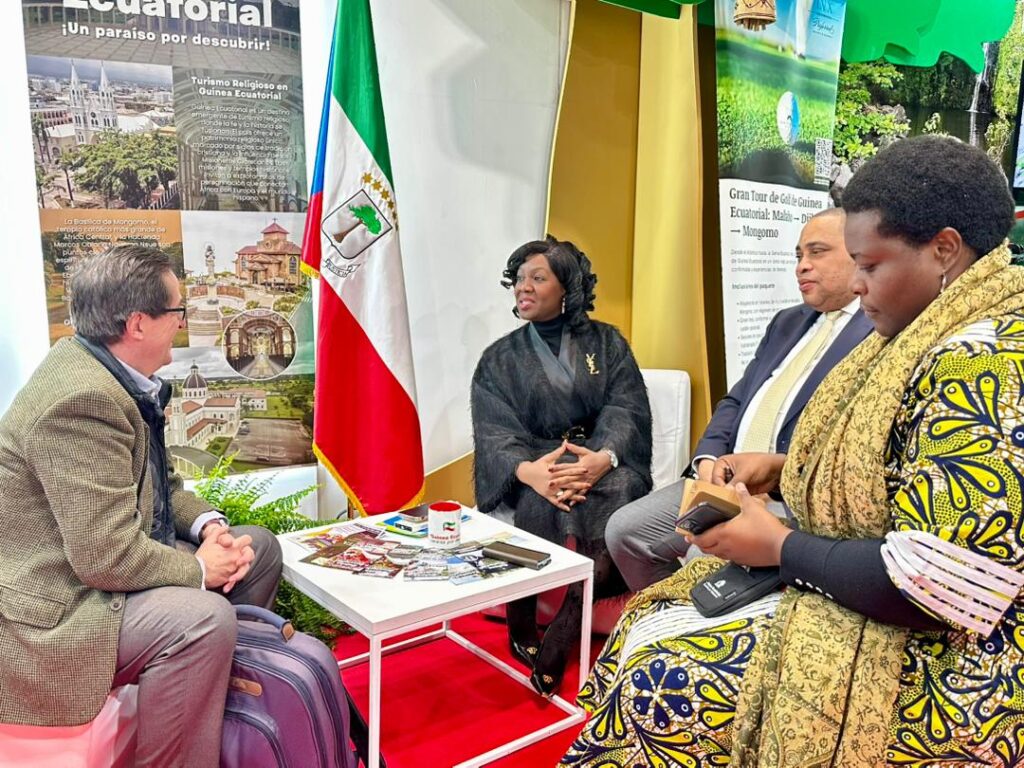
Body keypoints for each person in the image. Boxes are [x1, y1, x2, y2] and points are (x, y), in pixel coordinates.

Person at [560, 135, 1024, 766]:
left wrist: (780, 547)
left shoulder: (988, 358)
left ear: (944, 250)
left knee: (660, 678)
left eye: (870, 265)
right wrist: (781, 471)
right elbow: (890, 460)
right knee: (652, 622)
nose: (858, 285)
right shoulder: (925, 328)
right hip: (847, 567)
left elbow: (943, 587)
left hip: (956, 659)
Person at [0, 245, 282, 768]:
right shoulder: (79, 400)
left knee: (257, 549)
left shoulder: (114, 377)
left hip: (105, 564)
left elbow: (161, 486)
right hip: (60, 602)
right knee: (201, 617)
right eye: (176, 311)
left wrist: (209, 527)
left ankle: (215, 714)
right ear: (137, 324)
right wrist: (199, 569)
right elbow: (103, 558)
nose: (180, 322)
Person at [606, 207, 872, 591]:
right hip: (721, 480)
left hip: (784, 493)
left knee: (703, 556)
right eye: (798, 256)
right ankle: (664, 615)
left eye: (817, 252)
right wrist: (708, 460)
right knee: (625, 530)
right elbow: (736, 400)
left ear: (856, 253)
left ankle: (697, 627)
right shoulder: (787, 322)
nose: (802, 267)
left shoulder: (876, 330)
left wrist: (778, 478)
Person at [471, 236, 653, 696]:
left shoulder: (607, 343)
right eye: (519, 279)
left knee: (624, 488)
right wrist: (528, 470)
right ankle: (521, 622)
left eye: (537, 277)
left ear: (566, 287)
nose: (522, 288)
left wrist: (603, 458)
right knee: (539, 500)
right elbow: (494, 428)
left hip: (595, 456)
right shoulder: (499, 358)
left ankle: (567, 625)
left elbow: (626, 408)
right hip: (537, 462)